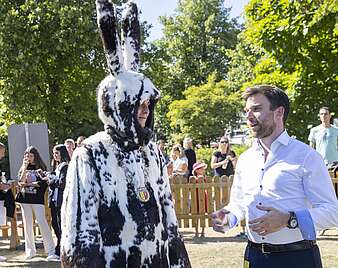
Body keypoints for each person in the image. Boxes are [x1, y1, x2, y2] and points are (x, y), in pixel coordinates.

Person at [60, 1, 190, 267]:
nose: (144, 111)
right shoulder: (90, 154)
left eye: (148, 105)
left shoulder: (151, 151)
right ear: (117, 105)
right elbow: (80, 234)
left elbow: (168, 216)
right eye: (136, 104)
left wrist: (178, 259)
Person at [211, 85, 338, 268]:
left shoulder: (307, 156)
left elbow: (333, 212)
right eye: (247, 111)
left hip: (297, 258)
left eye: (256, 109)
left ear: (278, 112)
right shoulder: (245, 159)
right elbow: (238, 204)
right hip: (254, 257)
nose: (248, 117)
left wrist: (289, 219)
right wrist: (228, 218)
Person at [15, 146, 58, 261]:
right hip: (25, 199)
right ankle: (30, 251)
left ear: (35, 156)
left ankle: (50, 250)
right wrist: (24, 167)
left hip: (37, 199)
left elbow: (42, 183)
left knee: (42, 222)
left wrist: (30, 184)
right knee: (27, 224)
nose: (28, 158)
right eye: (27, 155)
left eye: (31, 155)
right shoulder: (23, 167)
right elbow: (21, 181)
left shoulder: (40, 168)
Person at [43, 144, 70, 259]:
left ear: (62, 153)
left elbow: (62, 183)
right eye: (54, 153)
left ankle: (61, 250)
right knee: (55, 224)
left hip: (61, 200)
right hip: (54, 199)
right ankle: (59, 249)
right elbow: (54, 182)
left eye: (57, 153)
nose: (54, 155)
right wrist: (49, 177)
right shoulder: (57, 167)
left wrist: (52, 181)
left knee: (60, 225)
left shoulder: (65, 166)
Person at [191, 161, 208, 237]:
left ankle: (203, 231)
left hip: (203, 197)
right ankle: (196, 231)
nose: (203, 170)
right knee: (195, 214)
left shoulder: (204, 179)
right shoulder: (194, 179)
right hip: (195, 198)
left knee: (203, 214)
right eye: (201, 169)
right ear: (196, 170)